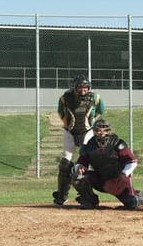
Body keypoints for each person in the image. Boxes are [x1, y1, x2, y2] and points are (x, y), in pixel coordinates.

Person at [71, 119, 143, 210]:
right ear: (94, 131)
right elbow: (81, 162)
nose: (101, 133)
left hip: (118, 181)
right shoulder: (89, 146)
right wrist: (79, 166)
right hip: (100, 180)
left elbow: (132, 161)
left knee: (131, 204)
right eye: (98, 130)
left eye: (104, 130)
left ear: (109, 131)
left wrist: (123, 174)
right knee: (77, 176)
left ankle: (141, 197)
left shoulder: (117, 143)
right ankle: (89, 200)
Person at [52, 75, 105, 206]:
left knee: (85, 163)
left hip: (87, 132)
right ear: (75, 87)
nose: (83, 89)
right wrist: (69, 124)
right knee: (65, 163)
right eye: (80, 87)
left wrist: (89, 121)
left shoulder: (95, 97)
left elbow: (101, 110)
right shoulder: (65, 98)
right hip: (69, 131)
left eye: (85, 87)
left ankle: (87, 195)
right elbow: (60, 112)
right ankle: (62, 195)